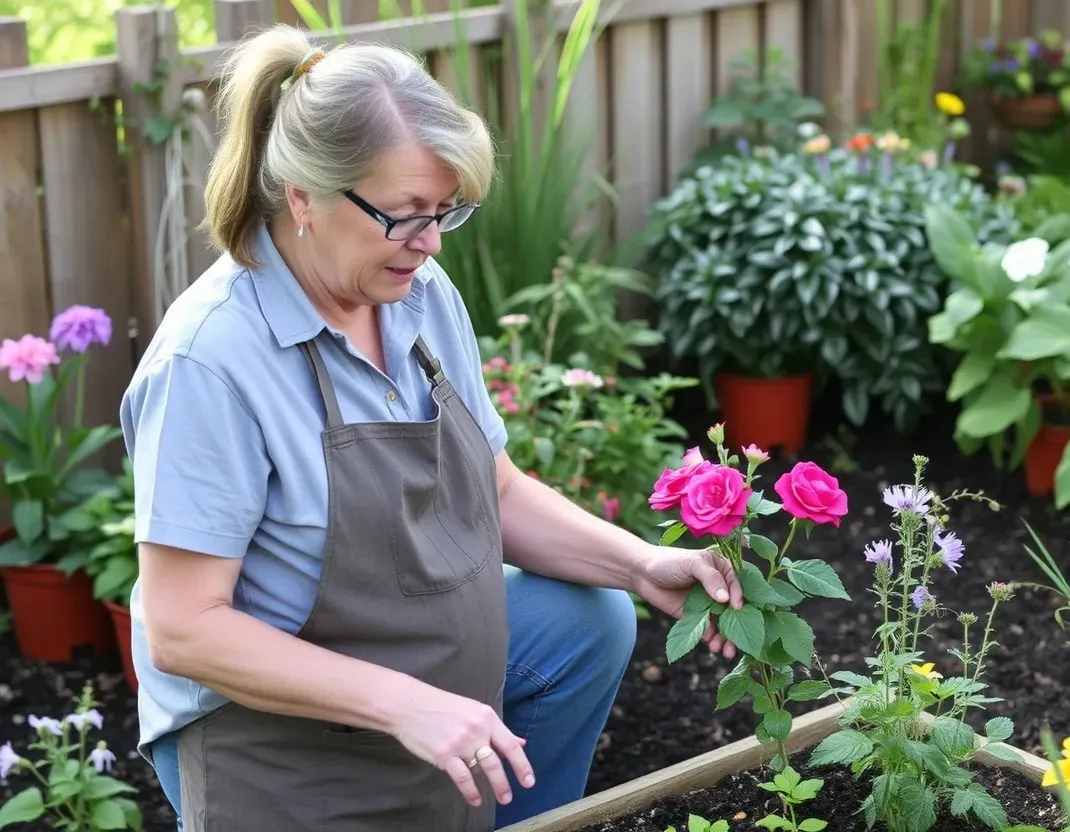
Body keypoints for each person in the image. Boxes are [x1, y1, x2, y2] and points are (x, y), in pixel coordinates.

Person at [120, 23, 743, 832]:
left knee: (588, 623)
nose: (432, 241)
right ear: (303, 197)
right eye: (407, 214)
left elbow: (495, 485)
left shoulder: (416, 293)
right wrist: (406, 703)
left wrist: (640, 562)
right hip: (278, 739)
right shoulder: (211, 361)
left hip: (416, 680)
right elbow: (184, 630)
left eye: (448, 211)